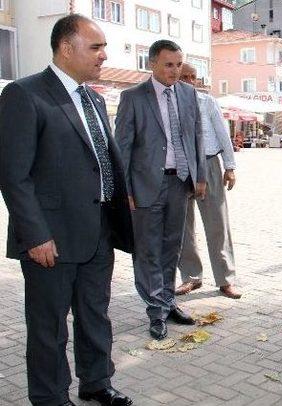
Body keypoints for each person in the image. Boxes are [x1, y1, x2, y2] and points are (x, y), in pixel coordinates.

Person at [0, 14, 133, 406]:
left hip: (97, 233)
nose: (103, 56)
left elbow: (99, 158)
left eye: (103, 47)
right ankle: (49, 396)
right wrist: (35, 234)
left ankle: (96, 382)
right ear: (65, 47)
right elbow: (13, 175)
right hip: (50, 240)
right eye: (95, 47)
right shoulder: (25, 94)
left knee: (96, 317)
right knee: (48, 327)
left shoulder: (93, 97)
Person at [116, 40, 206, 340]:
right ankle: (156, 309)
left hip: (179, 183)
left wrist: (200, 176)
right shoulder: (133, 97)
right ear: (152, 64)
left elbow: (196, 138)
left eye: (179, 64)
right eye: (169, 64)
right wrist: (124, 189)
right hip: (144, 185)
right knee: (148, 251)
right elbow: (123, 148)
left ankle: (168, 301)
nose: (175, 70)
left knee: (172, 247)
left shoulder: (189, 94)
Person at [175, 63, 242, 299]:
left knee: (217, 224)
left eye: (194, 77)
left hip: (209, 164)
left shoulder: (207, 101)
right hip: (181, 169)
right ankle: (191, 276)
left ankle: (226, 279)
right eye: (185, 76)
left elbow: (223, 133)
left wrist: (230, 167)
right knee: (183, 226)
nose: (190, 80)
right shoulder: (169, 103)